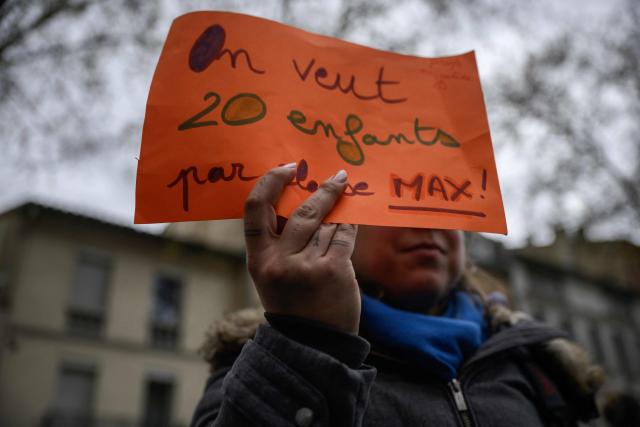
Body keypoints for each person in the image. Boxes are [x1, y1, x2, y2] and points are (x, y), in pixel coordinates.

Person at [191, 164, 604, 427]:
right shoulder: (263, 358)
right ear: (337, 225)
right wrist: (308, 343)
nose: (428, 225)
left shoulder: (531, 360)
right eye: (397, 206)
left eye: (445, 204)